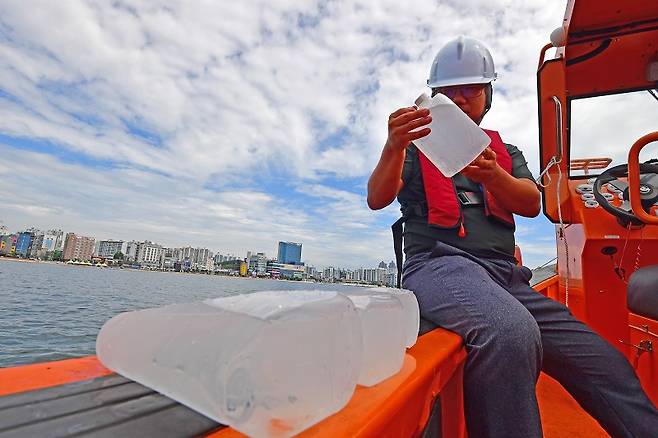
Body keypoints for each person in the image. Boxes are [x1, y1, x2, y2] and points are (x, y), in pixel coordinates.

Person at [367, 36, 658, 438]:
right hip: (439, 264)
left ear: (488, 96)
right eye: (449, 91)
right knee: (510, 331)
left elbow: (529, 202)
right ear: (435, 100)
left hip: (506, 275)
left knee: (603, 361)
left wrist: (493, 175)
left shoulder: (505, 151)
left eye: (472, 88)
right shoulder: (414, 148)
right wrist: (393, 145)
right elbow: (377, 198)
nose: (461, 97)